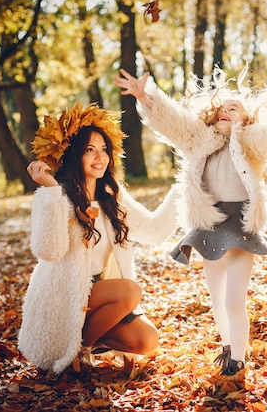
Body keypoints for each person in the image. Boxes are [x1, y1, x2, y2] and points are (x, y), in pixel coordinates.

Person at [114, 66, 267, 376]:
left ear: (244, 118)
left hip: (240, 226)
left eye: (234, 109)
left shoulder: (250, 141)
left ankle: (239, 359)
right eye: (221, 108)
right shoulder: (199, 139)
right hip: (209, 225)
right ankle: (229, 346)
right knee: (217, 301)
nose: (225, 112)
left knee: (234, 300)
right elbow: (172, 122)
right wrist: (147, 97)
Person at [18, 102, 179, 374]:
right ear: (72, 155)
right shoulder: (56, 197)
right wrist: (51, 192)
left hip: (101, 300)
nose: (99, 156)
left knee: (147, 340)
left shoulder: (112, 198)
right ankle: (75, 351)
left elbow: (155, 231)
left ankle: (86, 341)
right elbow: (49, 251)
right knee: (130, 290)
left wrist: (185, 189)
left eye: (104, 149)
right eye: (89, 150)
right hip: (65, 296)